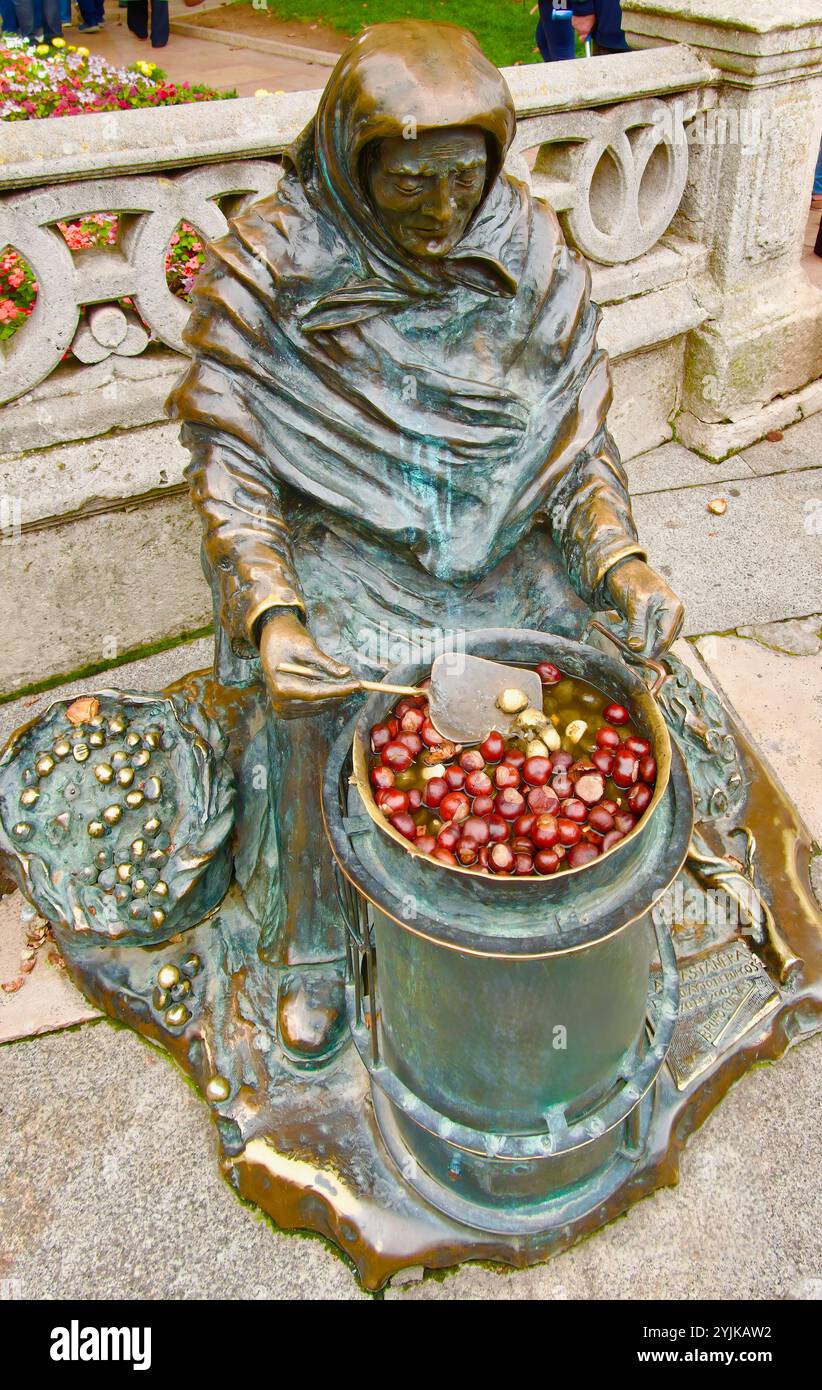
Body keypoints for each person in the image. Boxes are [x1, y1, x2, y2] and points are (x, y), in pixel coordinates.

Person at [167, 21, 683, 1063]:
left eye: (464, 180)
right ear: (354, 163)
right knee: (319, 700)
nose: (445, 214)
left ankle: (574, 903)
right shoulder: (269, 265)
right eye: (409, 186)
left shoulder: (529, 247)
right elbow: (230, 459)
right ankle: (312, 941)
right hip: (343, 548)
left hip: (495, 540)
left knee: (598, 669)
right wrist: (272, 608)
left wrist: (621, 562)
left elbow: (575, 442)